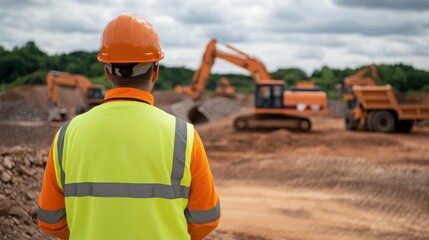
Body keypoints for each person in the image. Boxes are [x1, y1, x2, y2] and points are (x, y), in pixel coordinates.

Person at [37, 13, 220, 240]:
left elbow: (50, 220)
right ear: (155, 72)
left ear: (106, 71)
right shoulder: (184, 136)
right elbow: (205, 219)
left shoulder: (66, 135)